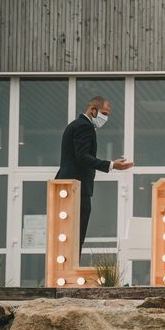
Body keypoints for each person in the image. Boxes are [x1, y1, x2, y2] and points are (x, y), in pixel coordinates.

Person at [55, 96, 134, 253]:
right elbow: (83, 157)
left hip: (72, 187)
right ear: (93, 110)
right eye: (104, 113)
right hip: (76, 188)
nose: (106, 118)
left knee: (69, 237)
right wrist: (111, 165)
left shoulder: (76, 125)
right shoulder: (84, 127)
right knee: (75, 238)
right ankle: (70, 270)